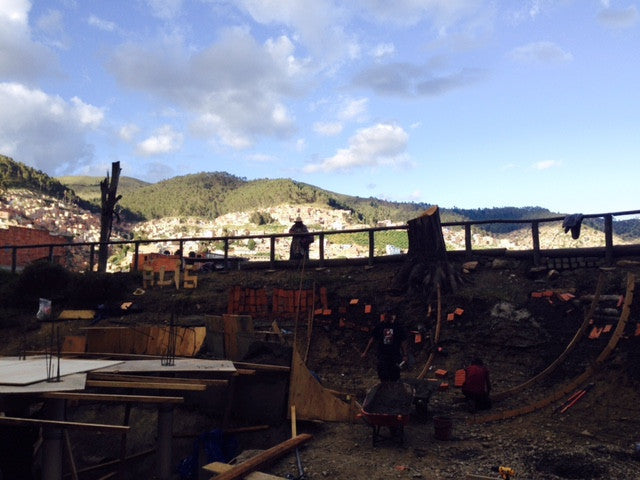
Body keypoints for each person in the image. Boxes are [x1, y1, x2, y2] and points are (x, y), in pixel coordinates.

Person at [361, 310, 409, 382]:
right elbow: (372, 339)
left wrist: (405, 354)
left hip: (394, 355)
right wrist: (365, 352)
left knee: (394, 374)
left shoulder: (397, 327)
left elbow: (403, 341)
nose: (386, 318)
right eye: (385, 316)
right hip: (382, 354)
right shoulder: (379, 326)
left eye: (388, 316)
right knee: (383, 374)